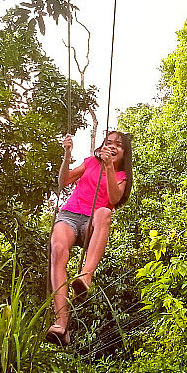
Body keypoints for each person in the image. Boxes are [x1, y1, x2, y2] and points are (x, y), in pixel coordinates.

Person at [46, 130, 133, 345]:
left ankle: (86, 276)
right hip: (70, 215)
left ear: (124, 153)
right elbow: (63, 181)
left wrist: (110, 167)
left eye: (118, 145)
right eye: (109, 142)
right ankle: (61, 324)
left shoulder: (121, 177)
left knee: (105, 212)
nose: (112, 146)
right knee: (57, 250)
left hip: (92, 222)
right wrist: (67, 155)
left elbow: (114, 198)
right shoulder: (90, 163)